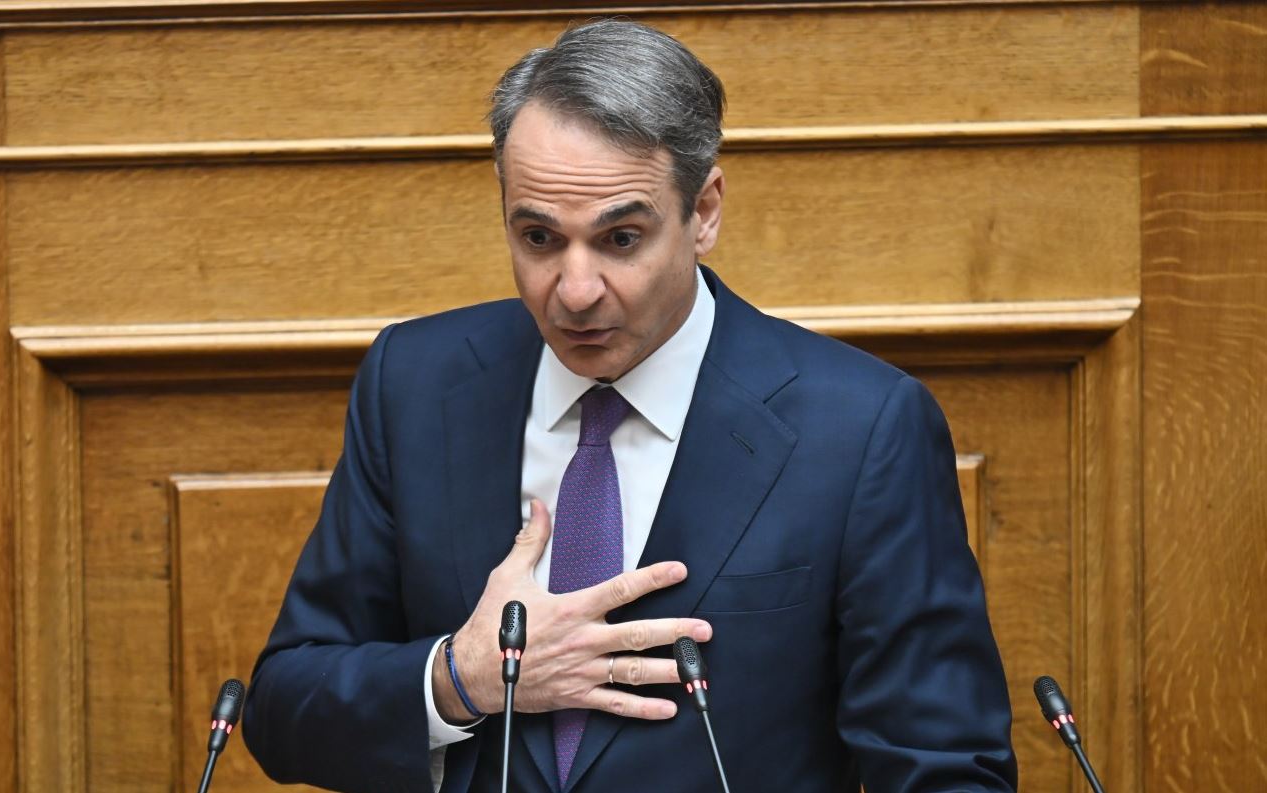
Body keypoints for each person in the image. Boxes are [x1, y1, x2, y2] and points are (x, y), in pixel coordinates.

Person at [243, 19, 1017, 793]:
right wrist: (460, 677)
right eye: (539, 238)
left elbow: (948, 769)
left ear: (703, 212)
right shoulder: (414, 383)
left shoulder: (861, 429)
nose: (575, 291)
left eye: (620, 238)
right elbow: (283, 708)